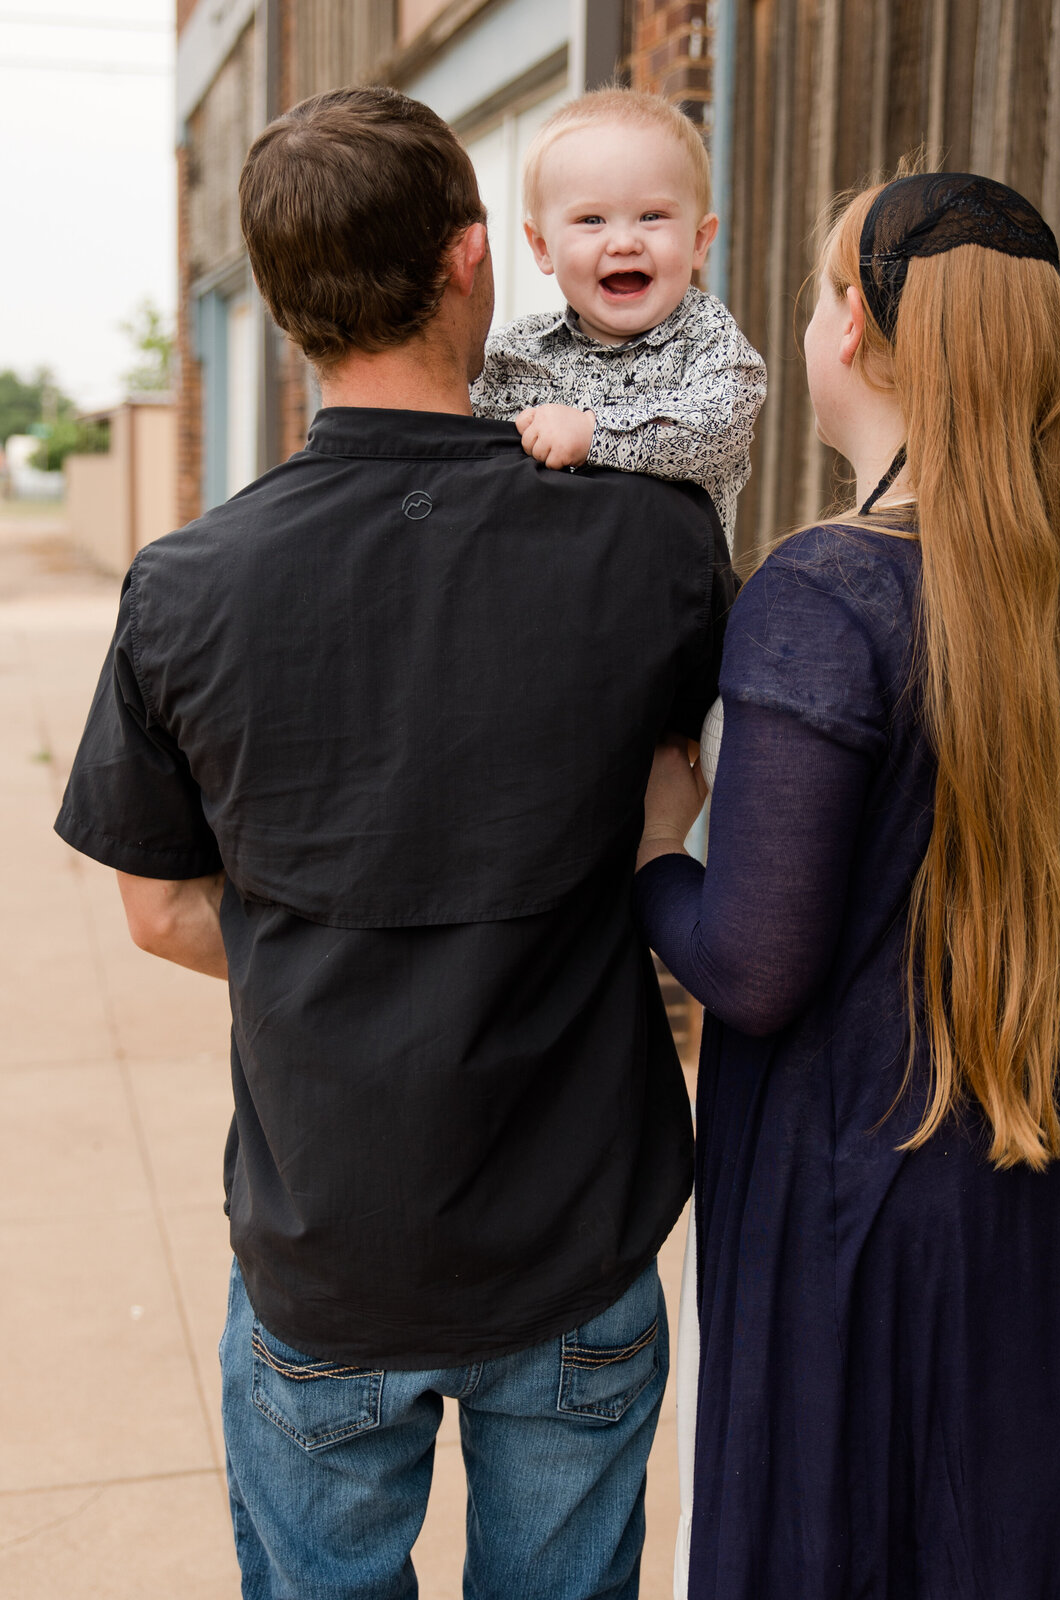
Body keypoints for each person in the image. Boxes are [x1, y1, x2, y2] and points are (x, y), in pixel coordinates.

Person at [54, 86, 734, 1600]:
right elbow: (692, 806)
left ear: (285, 308)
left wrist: (328, 942)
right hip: (574, 1234)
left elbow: (161, 915)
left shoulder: (186, 586)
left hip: (326, 1243)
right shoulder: (659, 542)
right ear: (476, 262)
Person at [634, 172, 1060, 1599]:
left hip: (852, 1205)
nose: (811, 323)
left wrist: (648, 862)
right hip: (1034, 1173)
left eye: (817, 292)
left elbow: (751, 964)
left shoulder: (824, 589)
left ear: (856, 327)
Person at [470, 88, 766, 548]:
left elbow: (722, 426)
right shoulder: (513, 355)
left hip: (672, 605)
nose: (624, 242)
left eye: (652, 216)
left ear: (699, 241)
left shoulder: (706, 337)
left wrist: (593, 434)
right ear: (543, 247)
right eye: (592, 220)